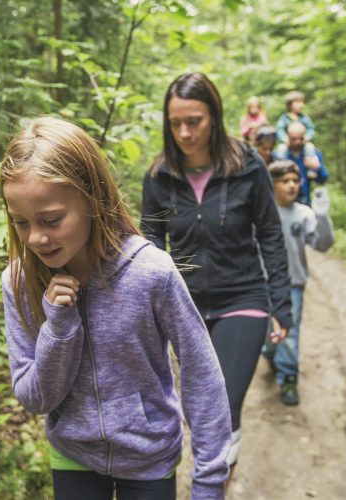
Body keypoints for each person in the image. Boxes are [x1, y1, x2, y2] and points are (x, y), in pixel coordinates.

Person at [0, 117, 232, 500]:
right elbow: (34, 398)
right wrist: (58, 329)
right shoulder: (20, 282)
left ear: (93, 199)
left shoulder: (150, 273)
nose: (37, 238)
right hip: (72, 454)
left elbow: (201, 372)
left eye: (52, 220)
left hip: (149, 457)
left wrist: (208, 480)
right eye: (21, 223)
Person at [141, 73, 293, 484]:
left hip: (243, 297)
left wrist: (281, 303)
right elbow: (150, 246)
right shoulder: (159, 176)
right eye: (175, 123)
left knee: (223, 401)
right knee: (197, 407)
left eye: (195, 121)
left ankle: (214, 485)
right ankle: (215, 470)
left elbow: (271, 236)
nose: (185, 132)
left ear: (215, 116)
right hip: (184, 306)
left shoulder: (247, 166)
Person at [264, 160, 334, 405]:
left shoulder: (304, 213)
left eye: (295, 180)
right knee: (267, 334)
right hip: (260, 283)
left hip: (293, 282)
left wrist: (322, 215)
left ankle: (289, 378)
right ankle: (271, 355)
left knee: (289, 333)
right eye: (285, 181)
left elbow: (322, 244)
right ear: (272, 184)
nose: (291, 185)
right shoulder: (261, 211)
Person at [274, 122, 329, 206]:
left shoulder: (312, 154)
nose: (297, 142)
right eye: (294, 139)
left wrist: (318, 167)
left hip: (304, 202)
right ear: (287, 137)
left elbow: (323, 179)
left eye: (301, 138)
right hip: (282, 204)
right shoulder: (279, 155)